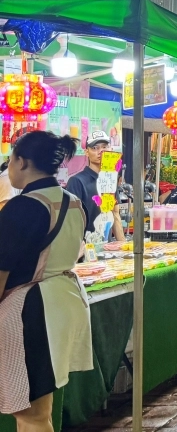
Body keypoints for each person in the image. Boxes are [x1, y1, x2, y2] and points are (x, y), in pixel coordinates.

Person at [0, 131, 93, 430]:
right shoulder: (73, 201)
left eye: (10, 161)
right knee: (39, 409)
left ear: (21, 161)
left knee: (30, 413)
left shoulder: (23, 206)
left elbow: (2, 270)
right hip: (63, 302)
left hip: (31, 311)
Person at [65, 130, 112, 234]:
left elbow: (115, 215)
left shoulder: (110, 180)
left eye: (104, 147)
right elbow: (71, 220)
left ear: (110, 149)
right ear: (86, 152)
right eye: (95, 148)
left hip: (107, 247)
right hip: (86, 247)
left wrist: (122, 246)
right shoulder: (76, 181)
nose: (101, 151)